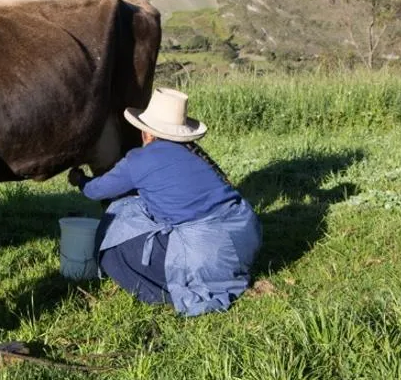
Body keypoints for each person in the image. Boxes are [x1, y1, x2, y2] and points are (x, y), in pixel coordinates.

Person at [68, 88, 262, 316]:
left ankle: (169, 288)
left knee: (114, 241)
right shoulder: (195, 154)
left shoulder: (139, 160)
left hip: (209, 253)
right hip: (246, 237)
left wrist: (80, 180)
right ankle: (224, 272)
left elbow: (96, 191)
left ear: (146, 133)